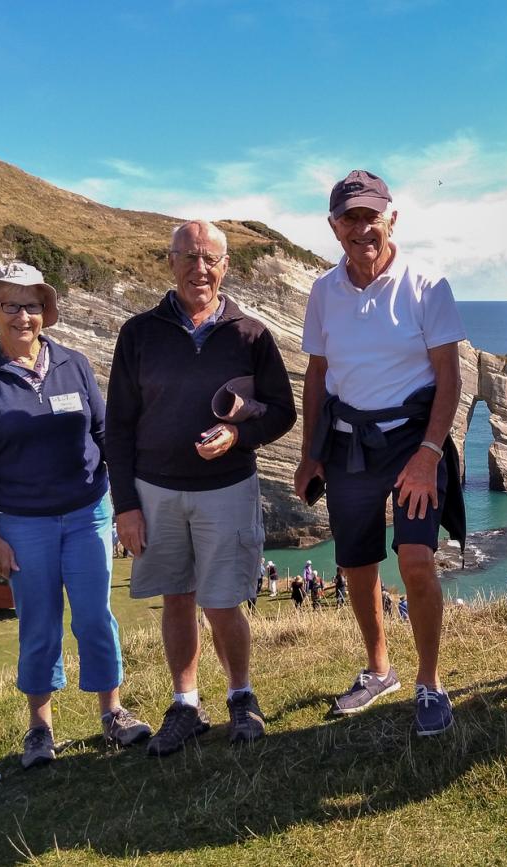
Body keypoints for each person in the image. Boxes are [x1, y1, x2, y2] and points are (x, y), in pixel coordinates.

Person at [0, 262, 150, 770]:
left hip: (88, 513)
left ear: (46, 312)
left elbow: (105, 437)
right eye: (10, 305)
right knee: (38, 623)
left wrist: (125, 503)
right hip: (21, 521)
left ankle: (113, 711)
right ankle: (40, 727)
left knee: (95, 617)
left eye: (32, 305)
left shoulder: (74, 364)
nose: (22, 316)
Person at [107, 219, 296, 754]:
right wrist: (125, 506)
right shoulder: (138, 333)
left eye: (210, 258)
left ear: (226, 266)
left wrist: (238, 435)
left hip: (227, 487)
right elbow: (118, 425)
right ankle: (186, 704)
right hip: (155, 490)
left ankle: (242, 696)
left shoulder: (252, 334)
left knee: (223, 601)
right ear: (169, 263)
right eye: (188, 257)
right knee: (176, 599)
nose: (200, 268)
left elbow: (283, 413)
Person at [294, 170, 466, 737]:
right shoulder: (323, 292)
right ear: (333, 226)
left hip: (414, 440)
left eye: (371, 216)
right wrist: (309, 454)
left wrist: (427, 454)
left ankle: (430, 682)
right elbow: (317, 376)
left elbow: (449, 377)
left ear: (392, 218)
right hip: (348, 443)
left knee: (416, 559)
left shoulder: (426, 283)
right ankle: (378, 670)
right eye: (350, 218)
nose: (361, 228)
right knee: (356, 564)